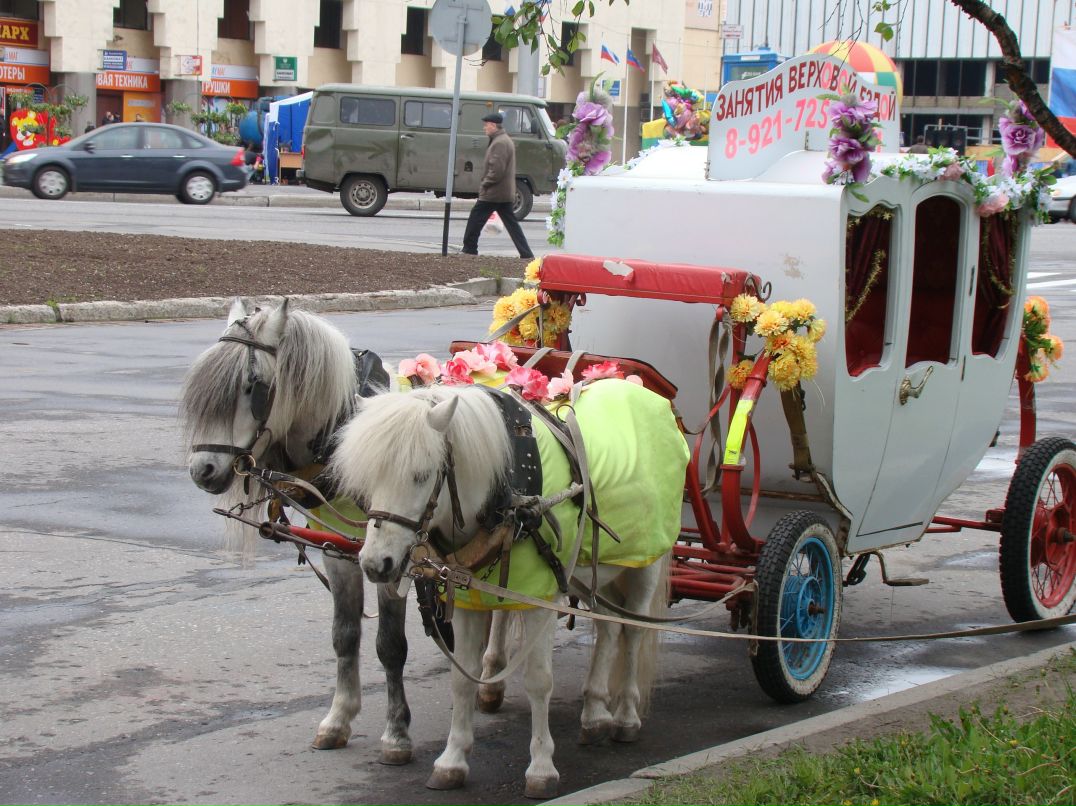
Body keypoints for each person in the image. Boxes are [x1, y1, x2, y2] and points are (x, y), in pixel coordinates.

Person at [461, 112, 533, 259]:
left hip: (494, 193)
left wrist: (485, 184)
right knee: (512, 225)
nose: (484, 128)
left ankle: (469, 249)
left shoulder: (499, 142)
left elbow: (497, 170)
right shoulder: (502, 140)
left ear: (493, 125)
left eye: (486, 125)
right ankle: (526, 254)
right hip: (503, 193)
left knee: (475, 220)